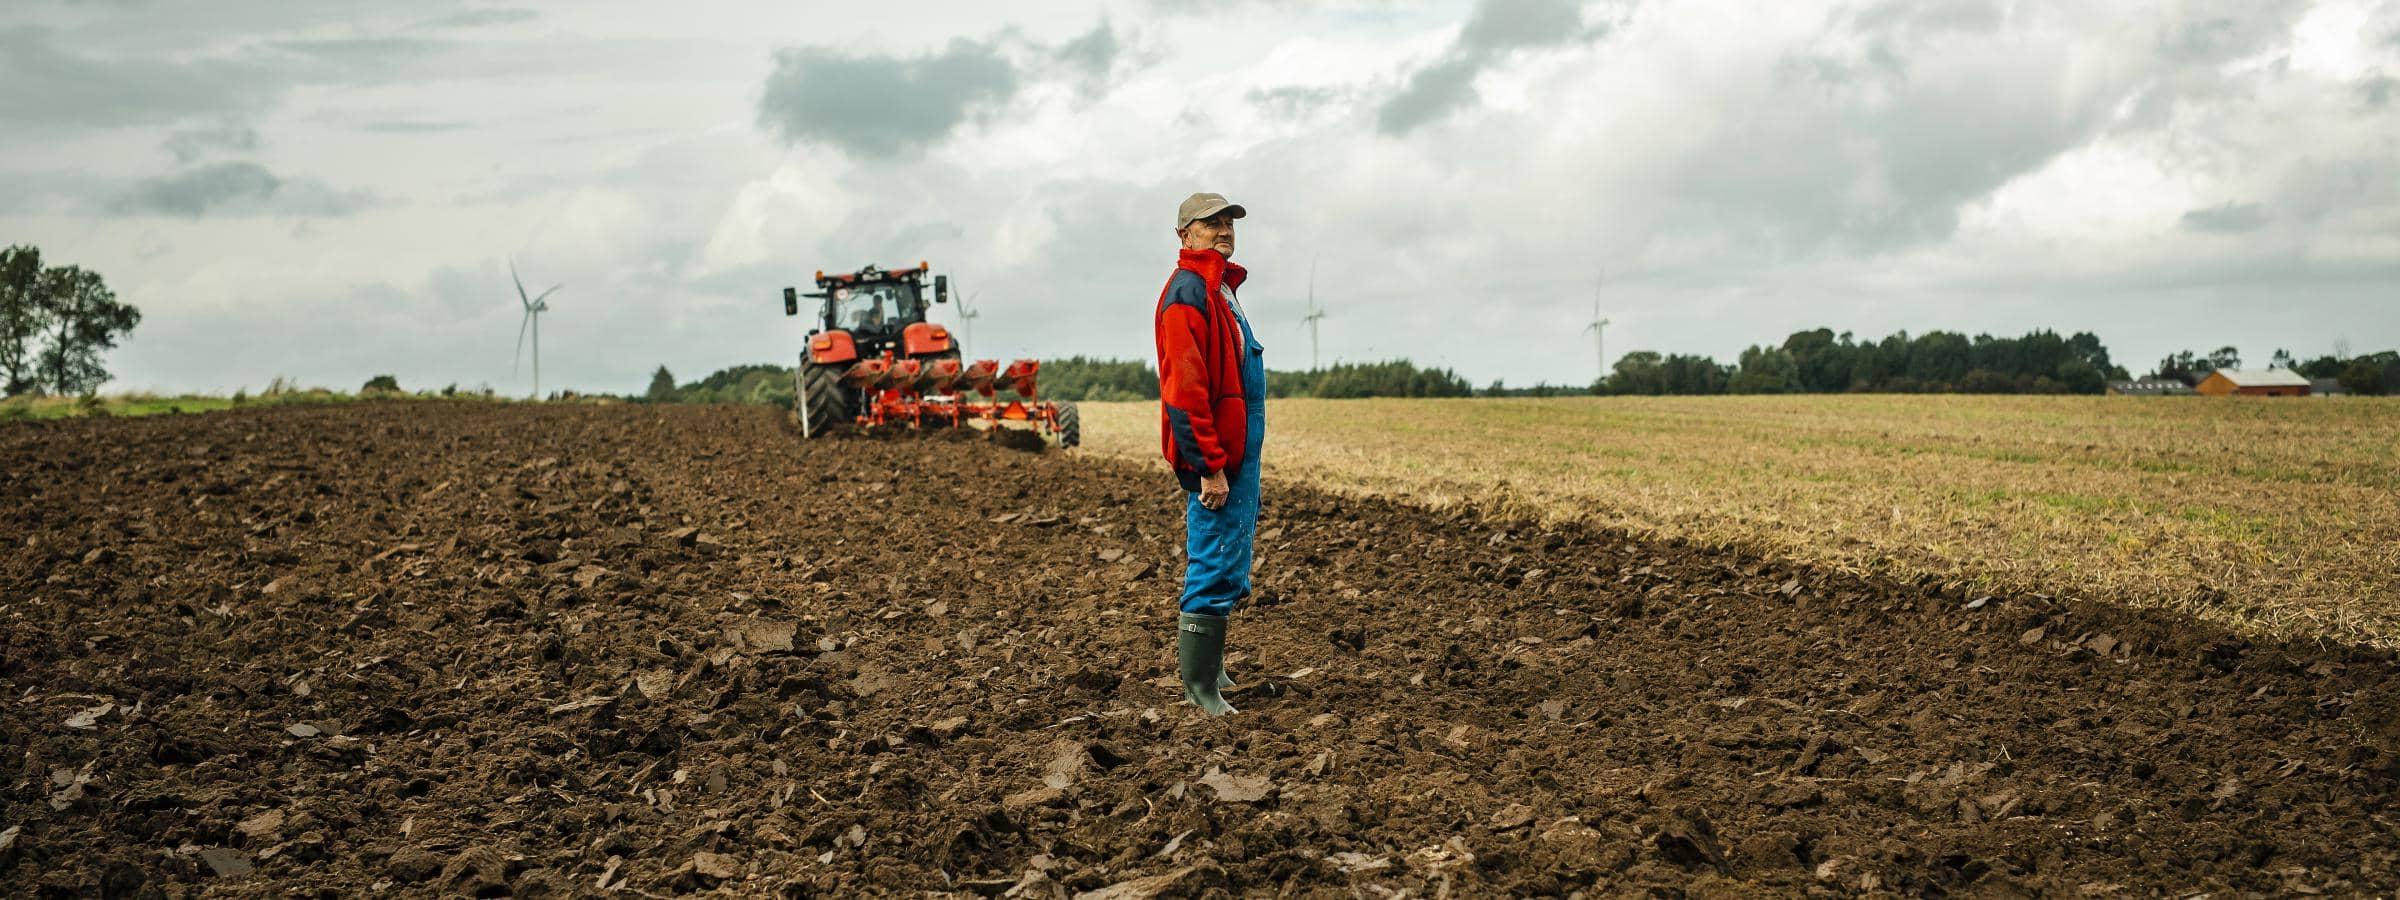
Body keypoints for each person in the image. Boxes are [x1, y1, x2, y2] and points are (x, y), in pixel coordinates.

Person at [1153, 192, 1265, 717]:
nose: (1223, 231)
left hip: (1238, 451)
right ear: (1184, 235)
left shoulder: (1219, 289)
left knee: (1230, 559)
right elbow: (1186, 389)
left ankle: (1213, 670)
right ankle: (1199, 688)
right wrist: (1208, 465)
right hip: (1216, 456)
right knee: (1213, 558)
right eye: (1210, 223)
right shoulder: (1188, 292)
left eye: (1228, 223)